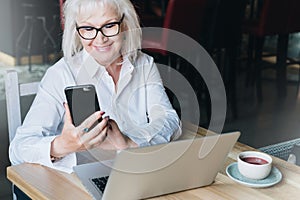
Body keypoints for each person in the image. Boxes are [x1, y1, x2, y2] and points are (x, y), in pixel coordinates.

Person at [9, 0, 181, 173]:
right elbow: (18, 148)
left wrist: (129, 143)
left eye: (109, 25)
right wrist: (62, 145)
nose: (100, 39)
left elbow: (168, 119)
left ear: (125, 25)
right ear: (76, 31)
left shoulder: (144, 64)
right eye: (88, 29)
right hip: (82, 178)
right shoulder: (62, 74)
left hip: (139, 169)